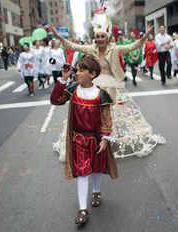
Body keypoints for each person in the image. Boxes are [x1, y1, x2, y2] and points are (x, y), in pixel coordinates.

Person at [50, 9, 165, 160]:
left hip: (111, 83)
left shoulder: (115, 48)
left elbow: (132, 47)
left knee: (109, 110)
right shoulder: (91, 48)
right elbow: (74, 46)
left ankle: (107, 136)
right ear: (95, 37)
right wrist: (58, 37)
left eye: (103, 36)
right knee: (93, 110)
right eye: (97, 36)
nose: (100, 39)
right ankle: (96, 135)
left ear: (107, 37)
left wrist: (144, 37)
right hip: (94, 83)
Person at [50, 55, 118, 225]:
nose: (77, 73)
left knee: (95, 167)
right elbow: (55, 100)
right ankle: (83, 209)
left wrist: (105, 139)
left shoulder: (101, 94)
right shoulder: (73, 89)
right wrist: (63, 79)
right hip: (78, 138)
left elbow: (106, 118)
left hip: (95, 138)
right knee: (82, 171)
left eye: (81, 70)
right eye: (77, 69)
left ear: (92, 74)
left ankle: (96, 192)